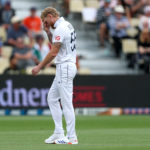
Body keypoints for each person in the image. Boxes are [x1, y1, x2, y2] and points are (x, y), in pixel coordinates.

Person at [32, 7, 78, 144]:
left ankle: (71, 137)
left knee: (66, 103)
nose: (45, 23)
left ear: (51, 16)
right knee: (52, 98)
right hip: (65, 66)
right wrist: (47, 32)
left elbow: (53, 52)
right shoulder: (66, 25)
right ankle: (59, 132)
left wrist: (39, 67)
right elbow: (57, 46)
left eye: (45, 20)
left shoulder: (61, 28)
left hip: (65, 66)